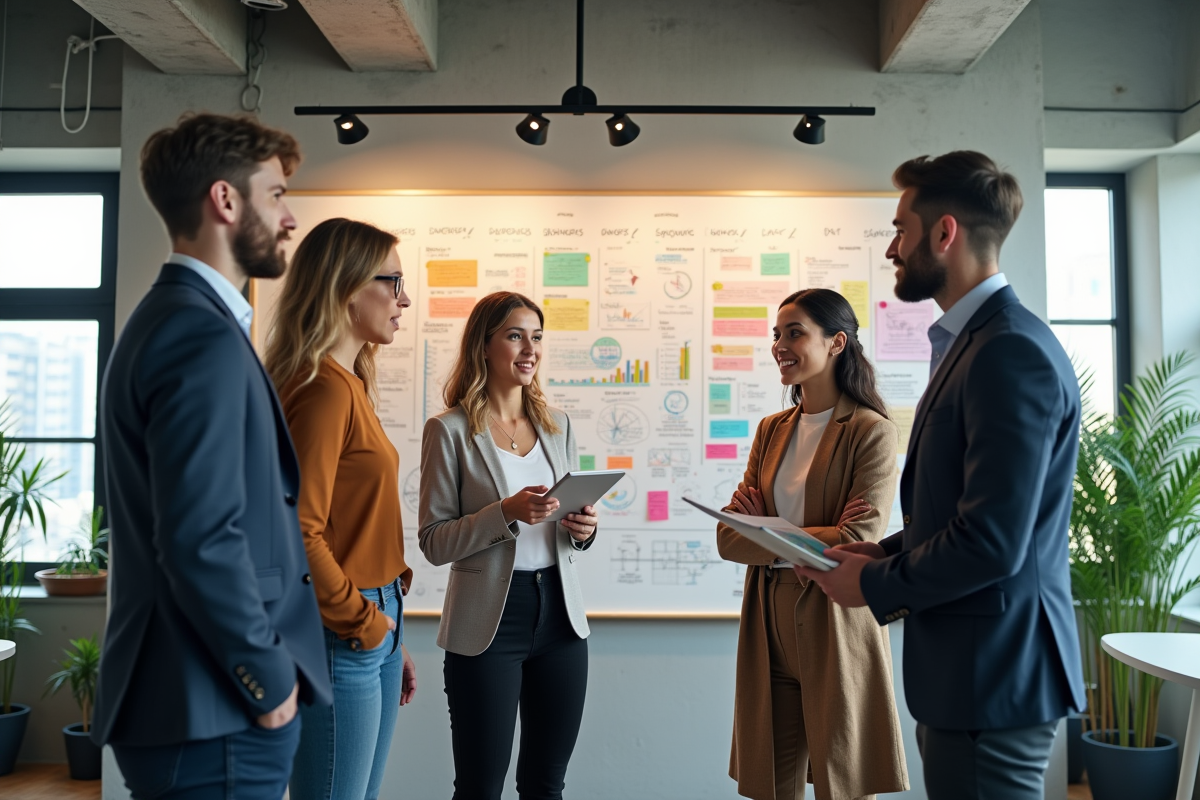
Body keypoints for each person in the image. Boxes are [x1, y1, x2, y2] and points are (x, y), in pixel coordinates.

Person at [797, 151, 1086, 800]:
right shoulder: (976, 343)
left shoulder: (1006, 351)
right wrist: (885, 549)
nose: (892, 249)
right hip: (975, 671)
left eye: (900, 230)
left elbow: (992, 541)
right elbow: (970, 510)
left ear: (944, 233)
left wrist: (873, 583)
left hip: (993, 674)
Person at [92, 113, 331, 799]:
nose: (290, 219)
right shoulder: (200, 335)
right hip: (216, 707)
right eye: (278, 194)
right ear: (225, 200)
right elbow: (200, 537)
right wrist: (266, 677)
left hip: (200, 705)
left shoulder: (175, 319)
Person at [716, 288, 908, 800]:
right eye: (776, 334)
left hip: (836, 617)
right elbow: (729, 535)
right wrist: (797, 536)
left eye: (794, 332)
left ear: (837, 342)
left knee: (842, 784)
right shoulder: (770, 430)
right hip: (766, 615)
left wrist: (769, 527)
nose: (780, 344)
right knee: (770, 787)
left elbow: (856, 540)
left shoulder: (871, 431)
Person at [418, 291, 598, 800]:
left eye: (536, 337)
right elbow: (433, 542)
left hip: (561, 618)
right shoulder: (449, 430)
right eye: (515, 335)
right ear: (484, 345)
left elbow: (565, 523)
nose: (530, 349)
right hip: (488, 624)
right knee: (480, 787)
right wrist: (505, 514)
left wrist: (583, 529)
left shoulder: (557, 425)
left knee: (546, 784)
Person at [265, 218, 419, 800]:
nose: (404, 300)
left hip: (369, 620)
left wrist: (390, 634)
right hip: (342, 630)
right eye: (394, 282)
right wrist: (365, 623)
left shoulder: (349, 382)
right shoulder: (325, 389)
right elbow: (297, 531)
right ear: (348, 284)